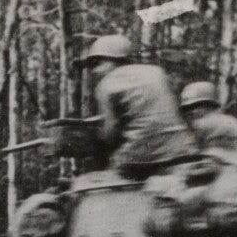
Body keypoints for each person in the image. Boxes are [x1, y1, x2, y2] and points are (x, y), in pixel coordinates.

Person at [82, 34, 198, 178]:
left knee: (103, 178)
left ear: (112, 60)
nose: (94, 70)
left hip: (142, 154)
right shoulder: (157, 71)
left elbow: (110, 132)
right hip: (181, 148)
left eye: (98, 63)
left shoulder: (105, 85)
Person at [180, 81, 237, 154]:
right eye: (188, 108)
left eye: (196, 106)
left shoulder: (199, 125)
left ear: (209, 105)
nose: (192, 111)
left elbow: (189, 150)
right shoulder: (234, 121)